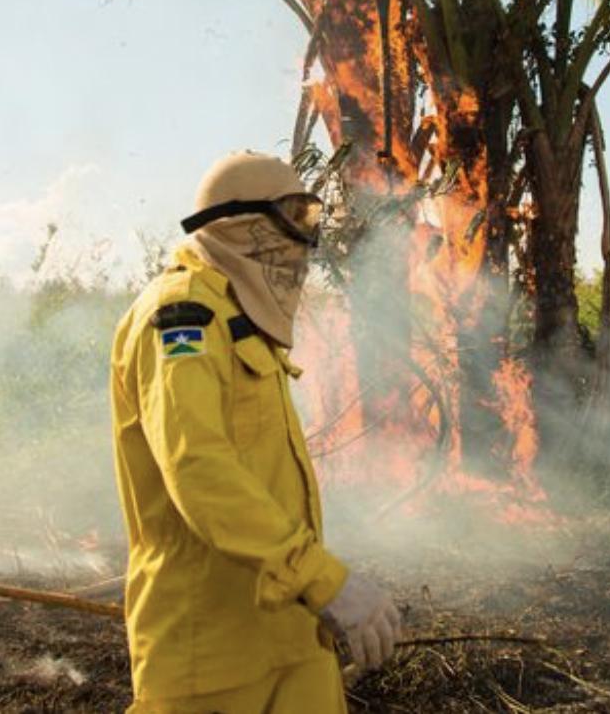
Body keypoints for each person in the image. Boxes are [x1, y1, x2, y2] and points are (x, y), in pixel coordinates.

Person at [109, 150, 401, 713]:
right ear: (240, 225)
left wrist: (314, 592)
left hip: (294, 635)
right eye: (293, 216)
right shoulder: (181, 318)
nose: (305, 242)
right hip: (212, 656)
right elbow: (199, 469)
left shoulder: (239, 318)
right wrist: (324, 580)